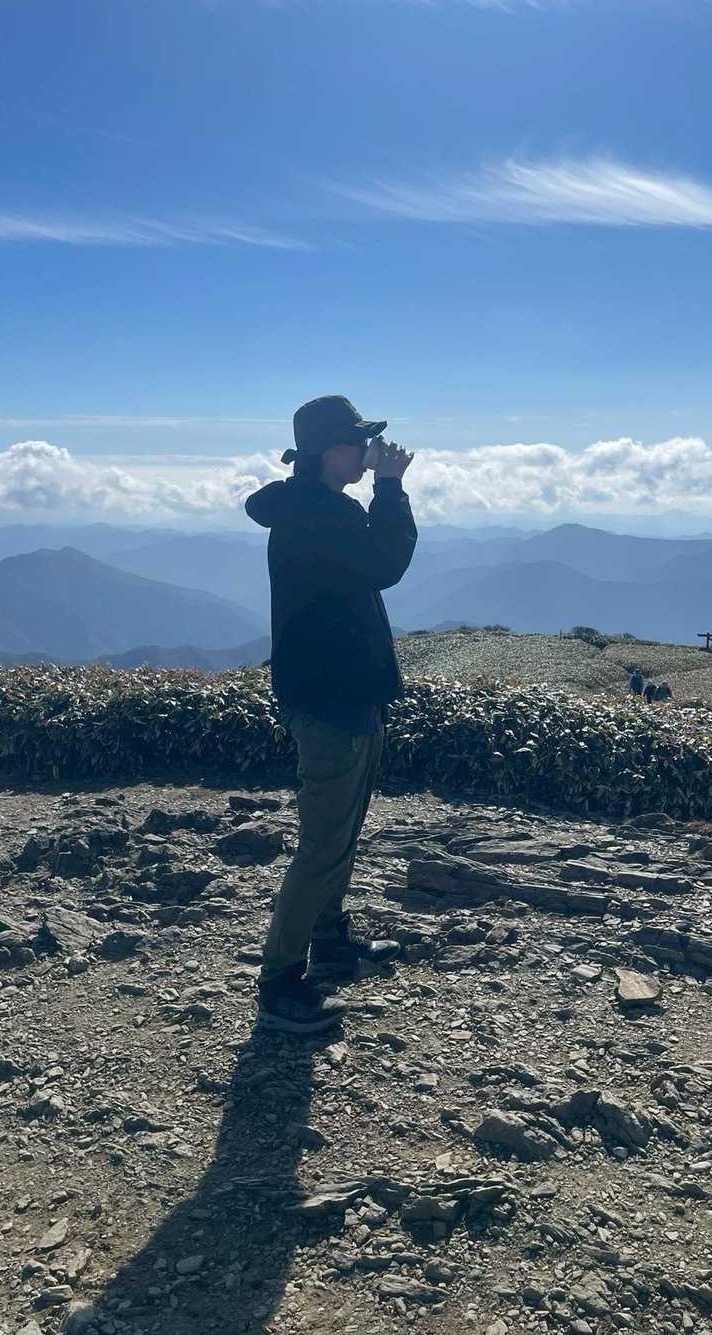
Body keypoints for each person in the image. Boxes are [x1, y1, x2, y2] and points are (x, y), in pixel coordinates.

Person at [243, 395, 417, 1034]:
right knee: (322, 844)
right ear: (326, 451)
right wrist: (390, 488)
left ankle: (331, 940)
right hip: (330, 699)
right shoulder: (318, 514)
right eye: (357, 441)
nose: (367, 450)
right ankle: (280, 984)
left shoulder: (315, 508)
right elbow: (386, 564)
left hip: (345, 693)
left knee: (341, 833)